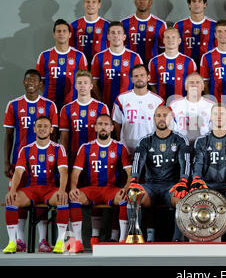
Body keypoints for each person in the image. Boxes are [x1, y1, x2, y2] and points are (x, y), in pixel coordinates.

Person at [4, 70, 58, 253]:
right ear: (23, 82)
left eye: (35, 80)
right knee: (16, 198)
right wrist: (6, 161)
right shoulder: (13, 105)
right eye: (28, 79)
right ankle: (20, 240)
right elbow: (9, 135)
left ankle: (42, 240)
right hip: (19, 162)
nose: (31, 83)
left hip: (44, 162)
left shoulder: (49, 105)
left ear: (41, 83)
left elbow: (55, 135)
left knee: (42, 196)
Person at [3, 116, 69, 254]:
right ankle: (12, 242)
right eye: (39, 126)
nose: (42, 129)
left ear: (51, 129)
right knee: (11, 199)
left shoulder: (58, 149)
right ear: (34, 129)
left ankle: (60, 241)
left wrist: (62, 190)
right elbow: (18, 172)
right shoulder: (26, 149)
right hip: (32, 189)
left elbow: (63, 171)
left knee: (63, 199)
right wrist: (13, 190)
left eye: (45, 126)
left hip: (50, 189)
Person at [68, 114, 132, 252]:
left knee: (125, 197)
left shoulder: (120, 147)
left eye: (106, 124)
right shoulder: (85, 147)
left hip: (111, 189)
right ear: (95, 127)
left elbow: (130, 172)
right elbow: (75, 172)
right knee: (74, 197)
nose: (103, 127)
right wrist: (73, 187)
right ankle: (78, 242)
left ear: (111, 128)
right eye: (100, 124)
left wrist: (126, 187)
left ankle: (122, 240)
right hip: (92, 189)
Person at [130, 105, 191, 242]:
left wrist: (183, 182)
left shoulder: (180, 140)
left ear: (171, 118)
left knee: (182, 199)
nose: (161, 118)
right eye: (158, 115)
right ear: (154, 118)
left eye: (165, 115)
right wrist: (134, 180)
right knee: (134, 196)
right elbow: (137, 162)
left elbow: (185, 162)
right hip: (151, 186)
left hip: (172, 186)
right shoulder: (145, 141)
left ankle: (177, 240)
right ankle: (136, 237)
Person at [192, 103, 226, 241]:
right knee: (195, 192)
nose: (218, 117)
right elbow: (198, 164)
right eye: (215, 114)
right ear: (210, 117)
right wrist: (197, 179)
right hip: (208, 185)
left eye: (222, 114)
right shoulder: (201, 140)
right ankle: (203, 236)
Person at [59, 70, 110, 168]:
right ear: (75, 86)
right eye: (79, 83)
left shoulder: (101, 107)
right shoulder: (66, 109)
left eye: (85, 83)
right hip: (74, 154)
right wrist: (63, 158)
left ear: (91, 86)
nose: (82, 85)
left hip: (95, 154)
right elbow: (64, 138)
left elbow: (106, 134)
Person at [112, 64, 164, 157]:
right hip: (127, 149)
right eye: (136, 76)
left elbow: (162, 125)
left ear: (148, 77)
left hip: (150, 149)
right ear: (131, 79)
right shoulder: (121, 99)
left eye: (142, 75)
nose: (139, 78)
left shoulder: (158, 101)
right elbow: (116, 123)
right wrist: (122, 141)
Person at [36, 19, 88, 111]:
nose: (61, 33)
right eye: (58, 31)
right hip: (49, 104)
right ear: (54, 34)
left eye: (64, 31)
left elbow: (84, 81)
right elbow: (40, 82)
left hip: (72, 104)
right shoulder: (44, 55)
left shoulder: (79, 56)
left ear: (70, 34)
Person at [90, 21, 143, 110]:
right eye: (113, 33)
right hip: (106, 104)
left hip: (129, 105)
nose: (116, 35)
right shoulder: (99, 57)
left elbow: (141, 82)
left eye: (119, 33)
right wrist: (101, 99)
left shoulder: (135, 57)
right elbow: (94, 83)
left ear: (124, 37)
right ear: (108, 36)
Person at [148, 27, 197, 101]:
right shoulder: (154, 61)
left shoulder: (189, 61)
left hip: (182, 104)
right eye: (167, 37)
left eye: (174, 37)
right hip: (162, 105)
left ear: (179, 41)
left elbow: (193, 85)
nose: (170, 40)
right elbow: (152, 85)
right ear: (163, 40)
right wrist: (159, 101)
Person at [121, 0, 167, 65]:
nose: (142, 1)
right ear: (135, 2)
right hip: (130, 66)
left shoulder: (160, 24)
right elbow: (121, 48)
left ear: (150, 2)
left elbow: (163, 50)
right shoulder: (124, 23)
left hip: (152, 66)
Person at [173, 0, 217, 67]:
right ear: (189, 4)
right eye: (193, 1)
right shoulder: (179, 25)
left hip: (208, 66)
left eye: (200, 1)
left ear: (205, 4)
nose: (196, 4)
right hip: (185, 66)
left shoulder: (214, 25)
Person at [169, 72, 215, 145]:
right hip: (180, 146)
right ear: (186, 87)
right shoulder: (174, 105)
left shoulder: (212, 106)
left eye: (198, 82)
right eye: (191, 82)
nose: (194, 85)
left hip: (204, 146)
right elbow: (169, 129)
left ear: (203, 87)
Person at [70, 0, 110, 66]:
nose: (90, 5)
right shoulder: (74, 25)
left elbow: (111, 49)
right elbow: (69, 48)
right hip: (79, 66)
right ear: (84, 4)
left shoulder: (108, 26)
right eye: (87, 2)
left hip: (100, 65)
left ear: (99, 5)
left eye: (94, 2)